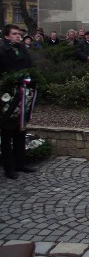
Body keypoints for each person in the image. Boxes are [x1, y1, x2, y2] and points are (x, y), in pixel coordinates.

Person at [0, 24, 37, 179]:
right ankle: (9, 168)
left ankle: (20, 163)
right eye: (14, 34)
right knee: (7, 132)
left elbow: (29, 67)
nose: (18, 36)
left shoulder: (23, 49)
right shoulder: (2, 51)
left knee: (20, 130)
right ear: (7, 36)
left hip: (23, 93)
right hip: (8, 95)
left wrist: (31, 81)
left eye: (19, 34)